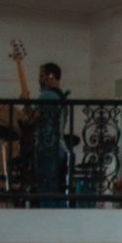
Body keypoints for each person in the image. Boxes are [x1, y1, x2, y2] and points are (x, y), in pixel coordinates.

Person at [22, 62, 69, 204]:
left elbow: (32, 118)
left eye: (41, 76)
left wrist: (26, 103)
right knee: (57, 189)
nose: (39, 80)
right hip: (60, 147)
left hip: (48, 148)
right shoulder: (60, 96)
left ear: (51, 76)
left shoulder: (47, 95)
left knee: (46, 190)